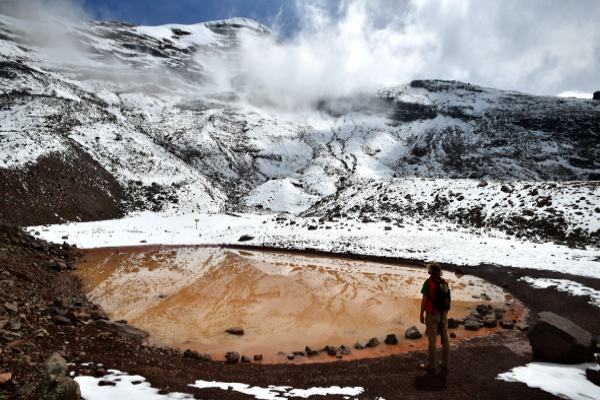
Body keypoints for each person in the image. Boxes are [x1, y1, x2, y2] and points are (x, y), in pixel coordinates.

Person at [419, 263, 451, 375]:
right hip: (444, 314)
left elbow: (424, 301)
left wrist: (421, 314)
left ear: (430, 272)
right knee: (445, 339)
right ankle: (445, 364)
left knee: (432, 339)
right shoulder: (445, 283)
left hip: (432, 314)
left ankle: (432, 365)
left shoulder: (428, 283)